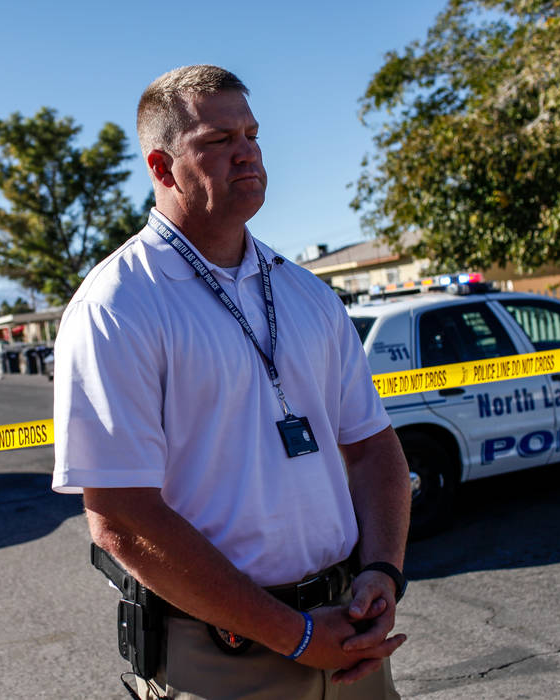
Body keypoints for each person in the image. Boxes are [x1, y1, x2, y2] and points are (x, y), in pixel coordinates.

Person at [52, 65, 411, 700]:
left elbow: (374, 448)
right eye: (218, 141)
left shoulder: (306, 293)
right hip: (222, 656)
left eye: (252, 134)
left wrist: (383, 571)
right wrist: (292, 634)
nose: (247, 152)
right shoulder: (118, 305)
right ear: (162, 168)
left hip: (346, 633)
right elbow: (122, 519)